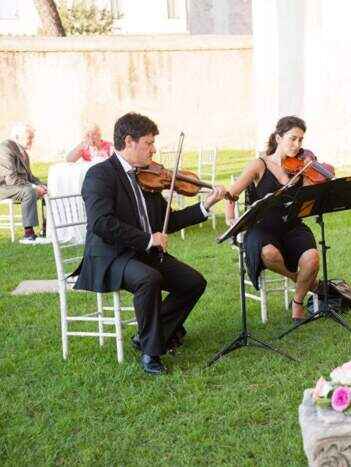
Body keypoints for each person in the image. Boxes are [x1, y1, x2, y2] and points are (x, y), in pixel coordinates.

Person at [73, 112, 227, 375]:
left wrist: (205, 205)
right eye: (148, 143)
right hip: (111, 256)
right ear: (129, 141)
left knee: (193, 282)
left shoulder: (147, 178)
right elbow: (101, 223)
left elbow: (170, 220)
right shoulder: (99, 175)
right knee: (149, 279)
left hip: (141, 253)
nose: (153, 150)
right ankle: (151, 353)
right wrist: (147, 239)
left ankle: (150, 336)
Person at [226, 116, 320, 323]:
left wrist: (314, 179)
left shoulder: (300, 168)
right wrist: (230, 218)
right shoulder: (259, 164)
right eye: (292, 139)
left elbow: (311, 200)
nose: (297, 145)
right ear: (278, 138)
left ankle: (297, 303)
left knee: (312, 257)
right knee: (269, 254)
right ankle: (299, 278)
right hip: (262, 228)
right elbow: (231, 194)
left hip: (292, 226)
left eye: (300, 141)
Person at [0, 123, 49, 244]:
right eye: (29, 137)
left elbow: (30, 177)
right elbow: (11, 179)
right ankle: (29, 234)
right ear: (17, 137)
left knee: (48, 187)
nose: (31, 141)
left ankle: (46, 229)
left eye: (32, 137)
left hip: (17, 185)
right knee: (29, 191)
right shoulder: (5, 149)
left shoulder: (23, 151)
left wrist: (41, 185)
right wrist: (34, 187)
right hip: (4, 186)